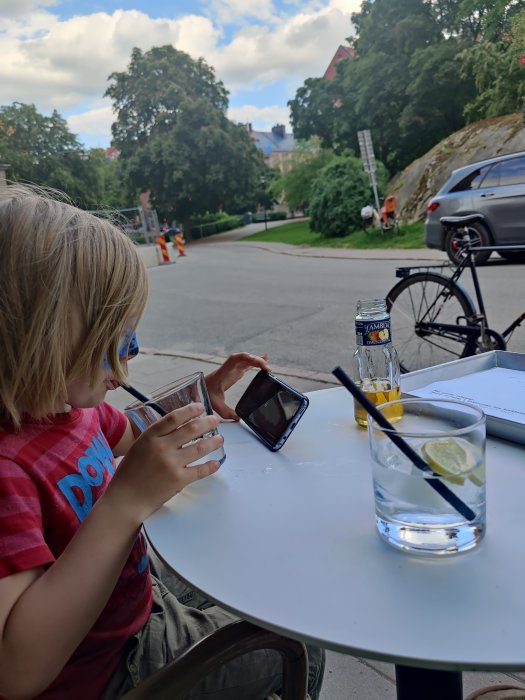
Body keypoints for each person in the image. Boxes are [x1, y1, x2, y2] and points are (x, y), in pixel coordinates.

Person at [0, 185, 325, 699]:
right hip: (108, 668)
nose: (131, 354)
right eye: (116, 338)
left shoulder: (68, 412)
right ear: (39, 335)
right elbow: (17, 672)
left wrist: (203, 392)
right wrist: (124, 502)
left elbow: (136, 433)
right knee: (298, 636)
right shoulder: (8, 471)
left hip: (133, 597)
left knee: (266, 578)